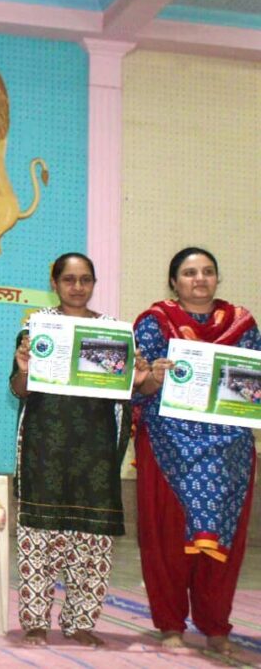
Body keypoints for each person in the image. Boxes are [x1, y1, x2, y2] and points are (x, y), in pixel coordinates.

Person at [10, 253, 146, 647]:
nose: (77, 286)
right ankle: (36, 621)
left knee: (92, 542)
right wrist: (22, 368)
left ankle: (81, 622)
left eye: (85, 279)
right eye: (68, 279)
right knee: (38, 538)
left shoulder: (114, 334)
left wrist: (135, 376)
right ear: (54, 282)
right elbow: (19, 390)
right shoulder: (37, 329)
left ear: (94, 283)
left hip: (96, 450)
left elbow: (129, 389)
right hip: (44, 449)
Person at [133, 247, 258, 657]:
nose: (199, 279)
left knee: (222, 541)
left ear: (218, 279)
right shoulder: (155, 323)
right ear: (174, 282)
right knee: (167, 541)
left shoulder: (242, 325)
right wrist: (152, 377)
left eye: (207, 272)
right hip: (169, 447)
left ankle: (215, 626)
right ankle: (170, 624)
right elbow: (136, 388)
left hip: (228, 451)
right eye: (189, 273)